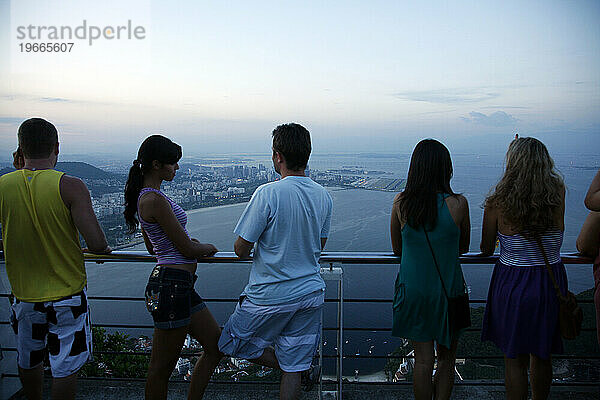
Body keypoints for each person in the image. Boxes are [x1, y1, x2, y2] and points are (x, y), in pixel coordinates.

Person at [218, 123, 333, 400]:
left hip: (270, 294)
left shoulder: (267, 193)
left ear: (278, 156)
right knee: (293, 367)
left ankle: (295, 366)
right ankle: (298, 367)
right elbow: (319, 246)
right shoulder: (324, 196)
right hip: (310, 293)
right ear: (307, 154)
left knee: (230, 342)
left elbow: (240, 249)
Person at [0, 118, 111, 400]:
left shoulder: (4, 185)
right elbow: (97, 243)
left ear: (20, 149)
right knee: (66, 365)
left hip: (24, 294)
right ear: (56, 147)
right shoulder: (71, 186)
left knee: (29, 358)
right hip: (68, 295)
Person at [123, 135, 221, 400]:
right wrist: (208, 246)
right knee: (161, 369)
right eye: (173, 164)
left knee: (215, 345)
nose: (176, 168)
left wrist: (189, 243)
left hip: (178, 286)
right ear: (156, 164)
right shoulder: (153, 200)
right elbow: (187, 251)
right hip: (171, 287)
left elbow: (154, 247)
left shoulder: (148, 197)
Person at [480, 137, 567, 400]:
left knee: (514, 358)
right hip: (549, 281)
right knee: (542, 356)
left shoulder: (498, 201)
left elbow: (486, 248)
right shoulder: (558, 193)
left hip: (512, 283)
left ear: (512, 163)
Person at [390, 139, 470, 400]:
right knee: (447, 360)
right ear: (446, 168)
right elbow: (464, 247)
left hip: (413, 291)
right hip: (448, 292)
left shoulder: (401, 203)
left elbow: (397, 249)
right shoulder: (458, 205)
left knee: (423, 362)